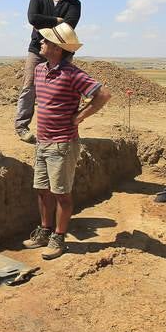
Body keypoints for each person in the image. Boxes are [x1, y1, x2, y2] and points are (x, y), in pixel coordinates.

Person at [22, 23, 110, 260]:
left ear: (57, 48)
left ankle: (59, 237)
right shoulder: (40, 70)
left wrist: (80, 116)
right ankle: (44, 230)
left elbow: (102, 95)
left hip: (62, 144)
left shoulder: (72, 74)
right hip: (43, 141)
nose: (40, 43)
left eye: (45, 41)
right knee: (42, 189)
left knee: (61, 193)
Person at [16, 0, 81, 144]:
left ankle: (61, 130)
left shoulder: (74, 3)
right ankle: (22, 127)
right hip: (38, 49)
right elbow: (32, 18)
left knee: (62, 90)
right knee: (29, 87)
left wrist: (45, 23)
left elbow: (68, 26)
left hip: (63, 53)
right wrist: (56, 20)